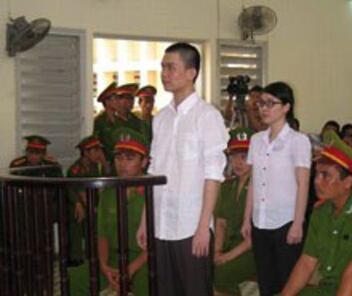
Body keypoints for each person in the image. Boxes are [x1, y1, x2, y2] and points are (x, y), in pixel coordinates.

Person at [136, 42, 228, 296]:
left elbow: (213, 175)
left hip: (191, 225)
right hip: (162, 222)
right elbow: (153, 172)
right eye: (163, 67)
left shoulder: (207, 116)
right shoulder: (160, 118)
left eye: (171, 67)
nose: (165, 73)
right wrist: (146, 220)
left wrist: (202, 227)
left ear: (191, 73)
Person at [281, 131, 352, 296]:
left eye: (325, 175)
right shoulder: (321, 211)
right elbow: (306, 262)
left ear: (347, 182)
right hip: (332, 287)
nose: (317, 181)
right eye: (317, 173)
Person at [241, 81, 312, 296]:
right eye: (262, 103)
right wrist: (247, 219)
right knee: (266, 280)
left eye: (271, 103)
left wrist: (297, 223)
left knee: (287, 282)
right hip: (260, 221)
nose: (264, 108)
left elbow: (303, 184)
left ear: (286, 107)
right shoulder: (256, 140)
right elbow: (254, 181)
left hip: (286, 222)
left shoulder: (298, 141)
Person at [69, 128, 149, 296]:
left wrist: (129, 270)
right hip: (113, 257)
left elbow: (157, 242)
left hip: (142, 260)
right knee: (74, 279)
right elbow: (102, 235)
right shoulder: (108, 192)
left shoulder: (152, 192)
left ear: (144, 162)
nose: (122, 164)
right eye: (118, 157)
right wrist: (104, 265)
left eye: (130, 158)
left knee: (147, 284)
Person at [214, 127, 256, 296]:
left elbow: (254, 236)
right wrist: (217, 251)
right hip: (228, 245)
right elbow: (221, 223)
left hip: (251, 250)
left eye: (244, 157)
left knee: (222, 274)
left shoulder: (261, 188)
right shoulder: (227, 186)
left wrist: (226, 257)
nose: (238, 163)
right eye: (233, 157)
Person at [66, 135, 109, 264]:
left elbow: (107, 179)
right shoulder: (76, 168)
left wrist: (104, 162)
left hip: (93, 203)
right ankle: (76, 259)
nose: (98, 154)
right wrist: (83, 205)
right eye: (95, 151)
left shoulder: (96, 166)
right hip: (77, 203)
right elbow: (75, 191)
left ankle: (95, 256)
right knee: (77, 224)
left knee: (97, 227)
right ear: (85, 152)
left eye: (99, 150)